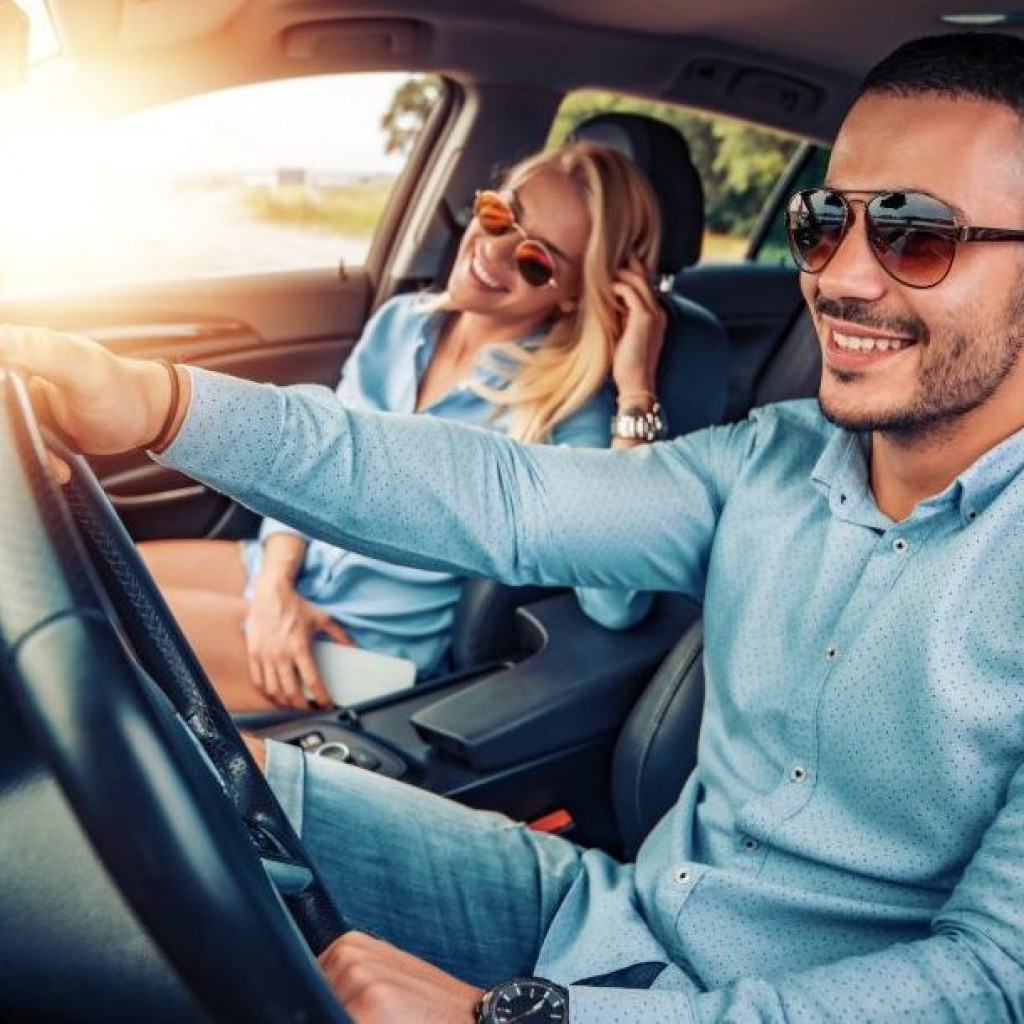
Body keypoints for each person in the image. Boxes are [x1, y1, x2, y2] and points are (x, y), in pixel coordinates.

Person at [7, 29, 1024, 1024]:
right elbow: (500, 493)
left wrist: (508, 1016)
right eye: (823, 222)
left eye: (914, 233)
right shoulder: (768, 460)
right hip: (606, 911)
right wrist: (159, 403)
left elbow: (994, 981)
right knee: (198, 770)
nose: (839, 278)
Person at [137, 141, 666, 711]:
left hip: (360, 647)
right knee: (92, 567)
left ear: (574, 296)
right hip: (288, 572)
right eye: (500, 215)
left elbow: (616, 604)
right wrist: (273, 586)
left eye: (536, 259)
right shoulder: (399, 323)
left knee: (103, 629)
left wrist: (636, 390)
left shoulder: (565, 409)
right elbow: (307, 462)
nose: (493, 249)